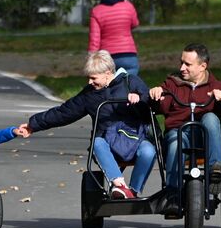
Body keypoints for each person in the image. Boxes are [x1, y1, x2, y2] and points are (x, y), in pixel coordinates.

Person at [19, 50, 156, 199]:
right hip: (106, 143)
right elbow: (63, 113)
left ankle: (133, 191)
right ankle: (119, 186)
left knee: (149, 151)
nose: (89, 82)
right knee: (97, 142)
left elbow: (150, 101)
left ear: (108, 72)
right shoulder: (89, 94)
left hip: (134, 139)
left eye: (93, 78)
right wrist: (33, 124)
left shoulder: (131, 82)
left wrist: (140, 98)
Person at [149, 43, 221, 193]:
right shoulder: (172, 84)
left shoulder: (216, 85)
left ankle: (214, 169)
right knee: (177, 142)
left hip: (203, 138)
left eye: (187, 64)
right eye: (181, 62)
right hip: (178, 133)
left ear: (203, 66)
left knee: (210, 117)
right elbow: (159, 108)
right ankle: (172, 192)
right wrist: (156, 95)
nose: (182, 68)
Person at [88, 0, 140, 76]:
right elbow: (135, 23)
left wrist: (92, 59)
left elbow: (94, 39)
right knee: (129, 86)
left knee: (109, 88)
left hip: (107, 57)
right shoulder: (128, 7)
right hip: (128, 55)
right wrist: (125, 1)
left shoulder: (97, 11)